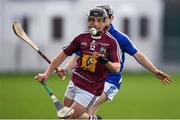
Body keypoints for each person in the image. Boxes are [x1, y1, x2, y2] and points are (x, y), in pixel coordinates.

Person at [57, 5, 172, 119]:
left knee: (83, 110)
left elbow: (138, 55)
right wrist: (66, 69)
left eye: (104, 17)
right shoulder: (90, 36)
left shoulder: (119, 38)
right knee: (78, 115)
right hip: (90, 79)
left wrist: (155, 71)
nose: (98, 21)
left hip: (110, 81)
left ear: (110, 19)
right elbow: (77, 56)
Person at [35, 7, 121, 119]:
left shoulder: (111, 42)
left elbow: (116, 68)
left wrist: (104, 60)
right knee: (67, 117)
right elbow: (61, 56)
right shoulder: (81, 38)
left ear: (105, 22)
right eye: (91, 19)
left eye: (99, 20)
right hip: (74, 83)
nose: (95, 23)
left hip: (91, 89)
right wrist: (46, 74)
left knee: (67, 117)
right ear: (88, 21)